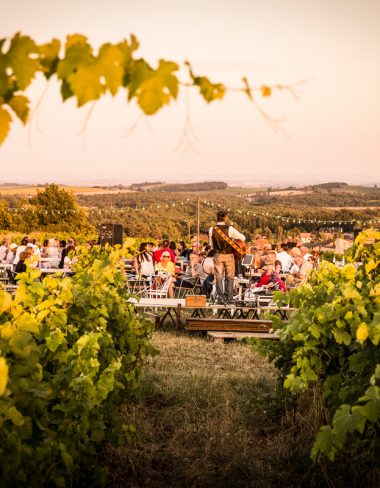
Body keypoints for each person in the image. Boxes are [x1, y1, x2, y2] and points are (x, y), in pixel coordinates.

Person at [209, 210, 245, 303]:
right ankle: (229, 297)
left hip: (217, 255)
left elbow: (211, 244)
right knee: (229, 276)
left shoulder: (212, 229)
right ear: (225, 218)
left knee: (219, 277)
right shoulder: (230, 229)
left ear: (217, 218)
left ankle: (220, 298)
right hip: (228, 255)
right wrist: (233, 240)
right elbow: (242, 237)